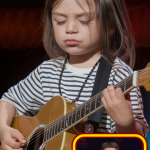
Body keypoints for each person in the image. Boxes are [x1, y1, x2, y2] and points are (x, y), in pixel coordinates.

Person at [0, 0, 149, 149]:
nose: (70, 28)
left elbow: (136, 142)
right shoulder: (47, 72)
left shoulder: (119, 76)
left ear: (109, 24)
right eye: (60, 21)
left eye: (84, 21)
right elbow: (10, 99)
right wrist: (3, 130)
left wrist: (126, 124)